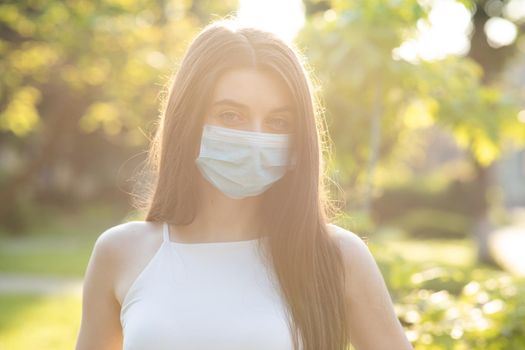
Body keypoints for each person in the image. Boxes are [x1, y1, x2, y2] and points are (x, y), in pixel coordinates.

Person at [75, 18, 413, 350]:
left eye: (278, 121)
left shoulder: (337, 256)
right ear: (187, 120)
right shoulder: (119, 252)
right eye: (230, 116)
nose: (255, 138)